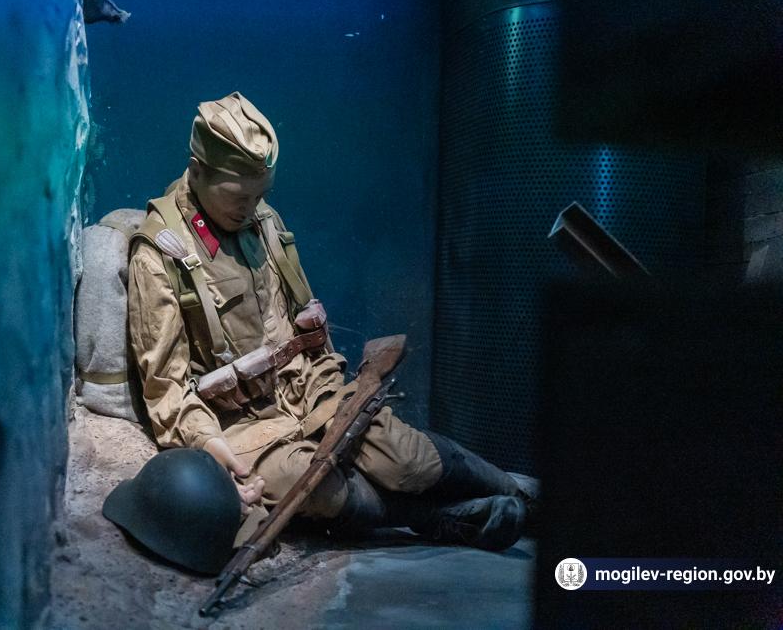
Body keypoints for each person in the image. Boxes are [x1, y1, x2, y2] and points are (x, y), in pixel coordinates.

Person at [126, 92, 535, 554]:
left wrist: (329, 387)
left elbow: (300, 327)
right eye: (240, 197)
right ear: (198, 171)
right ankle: (438, 519)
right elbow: (166, 388)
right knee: (317, 487)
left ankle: (521, 496)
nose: (252, 208)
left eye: (262, 195)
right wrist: (210, 446)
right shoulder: (159, 257)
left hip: (308, 390)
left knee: (405, 457)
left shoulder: (262, 221)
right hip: (237, 424)